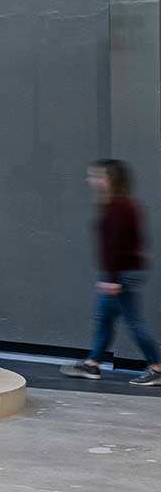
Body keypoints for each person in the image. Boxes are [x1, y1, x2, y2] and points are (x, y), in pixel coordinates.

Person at [61, 160, 161, 385]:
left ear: (111, 180)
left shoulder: (120, 207)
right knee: (104, 318)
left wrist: (113, 279)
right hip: (120, 272)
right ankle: (92, 364)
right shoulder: (117, 205)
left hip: (120, 274)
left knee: (133, 322)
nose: (91, 180)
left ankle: (156, 366)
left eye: (97, 176)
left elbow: (119, 245)